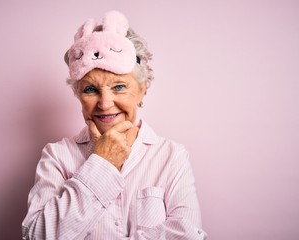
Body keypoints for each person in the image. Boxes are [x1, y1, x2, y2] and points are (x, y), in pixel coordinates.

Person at [22, 10, 206, 240]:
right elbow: (37, 235)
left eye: (119, 87)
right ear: (78, 95)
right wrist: (103, 162)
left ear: (142, 90)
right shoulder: (57, 156)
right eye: (90, 89)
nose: (105, 103)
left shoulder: (171, 156)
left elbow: (188, 235)